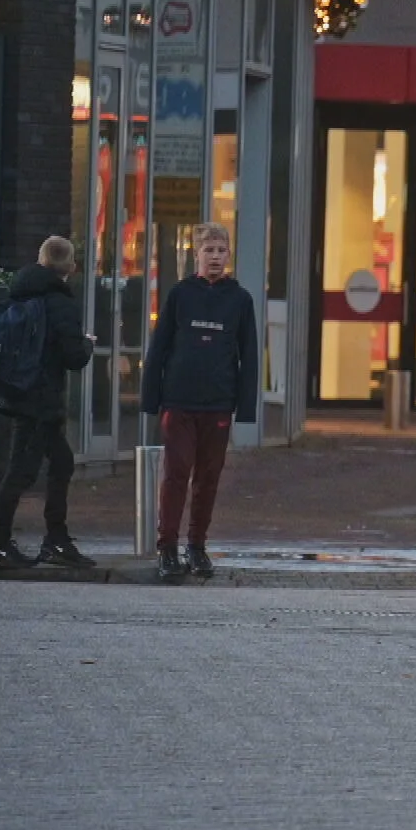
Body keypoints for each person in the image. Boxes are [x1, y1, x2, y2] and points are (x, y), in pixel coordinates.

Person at [141, 222, 259, 580]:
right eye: (209, 250)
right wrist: (151, 398)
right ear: (197, 254)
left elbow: (249, 354)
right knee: (176, 474)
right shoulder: (179, 295)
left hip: (218, 403)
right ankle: (167, 548)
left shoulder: (240, 300)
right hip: (179, 400)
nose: (216, 257)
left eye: (222, 251)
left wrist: (246, 406)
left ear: (229, 255)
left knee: (208, 477)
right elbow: (159, 347)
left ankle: (196, 546)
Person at [0, 237, 95, 571]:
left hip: (19, 393)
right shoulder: (60, 304)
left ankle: (55, 539)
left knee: (62, 463)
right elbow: (73, 358)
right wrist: (86, 345)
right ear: (70, 268)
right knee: (21, 472)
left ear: (40, 259)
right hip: (40, 401)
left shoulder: (20, 293)